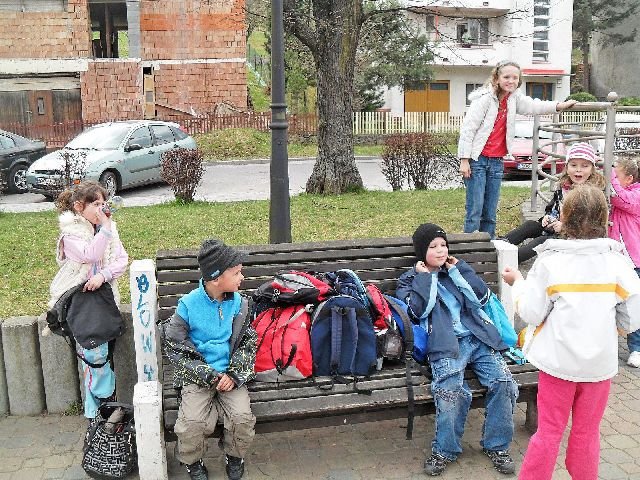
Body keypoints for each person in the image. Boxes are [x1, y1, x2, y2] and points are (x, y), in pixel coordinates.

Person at [502, 185, 640, 480]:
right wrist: (609, 330)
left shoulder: (551, 262)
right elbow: (633, 315)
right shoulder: (618, 263)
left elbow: (532, 313)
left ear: (564, 216)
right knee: (587, 433)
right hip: (599, 367)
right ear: (604, 218)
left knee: (549, 431)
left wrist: (518, 284)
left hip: (557, 364)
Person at [396, 223, 518, 477]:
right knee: (450, 390)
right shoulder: (409, 279)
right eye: (433, 247)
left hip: (478, 337)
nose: (441, 251)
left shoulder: (455, 269)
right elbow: (418, 312)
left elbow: (480, 299)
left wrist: (459, 270)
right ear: (422, 252)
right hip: (445, 344)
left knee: (504, 383)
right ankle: (445, 450)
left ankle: (497, 446)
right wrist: (425, 278)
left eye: (443, 245)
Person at [162, 239, 257, 480]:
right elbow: (174, 344)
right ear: (216, 278)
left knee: (241, 418)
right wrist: (207, 374)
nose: (242, 277)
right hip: (198, 376)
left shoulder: (240, 304)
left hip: (230, 375)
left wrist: (234, 374)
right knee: (192, 423)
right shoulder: (188, 305)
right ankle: (193, 462)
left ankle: (234, 456)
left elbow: (248, 342)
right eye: (236, 273)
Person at [458, 60, 576, 238]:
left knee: (490, 211)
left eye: (515, 78)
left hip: (496, 162)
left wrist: (558, 106)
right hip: (478, 161)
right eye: (506, 77)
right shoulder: (484, 99)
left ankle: (488, 245)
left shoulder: (514, 99)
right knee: (475, 210)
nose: (511, 81)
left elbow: (534, 106)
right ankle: (470, 246)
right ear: (497, 78)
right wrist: (464, 160)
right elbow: (468, 129)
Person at [48, 180, 129, 421]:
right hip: (81, 304)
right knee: (93, 355)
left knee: (101, 353)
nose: (101, 209)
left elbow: (121, 260)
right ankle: (103, 407)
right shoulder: (71, 234)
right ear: (78, 206)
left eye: (104, 203)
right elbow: (90, 254)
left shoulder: (107, 229)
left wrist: (103, 275)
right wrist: (106, 228)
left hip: (104, 300)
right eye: (95, 204)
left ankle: (96, 411)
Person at [502, 142, 605, 263]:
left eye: (584, 166)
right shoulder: (564, 187)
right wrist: (548, 217)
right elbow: (553, 207)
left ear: (592, 169)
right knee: (530, 225)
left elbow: (590, 226)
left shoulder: (592, 195)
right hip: (557, 229)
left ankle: (509, 258)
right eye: (573, 165)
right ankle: (500, 244)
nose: (578, 169)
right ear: (567, 167)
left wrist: (565, 228)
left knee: (542, 241)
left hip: (575, 240)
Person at [608, 154, 640, 368]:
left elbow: (621, 198)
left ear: (628, 179)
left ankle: (636, 349)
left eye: (616, 176)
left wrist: (607, 172)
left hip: (633, 262)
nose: (612, 180)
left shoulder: (636, 194)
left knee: (633, 306)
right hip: (614, 260)